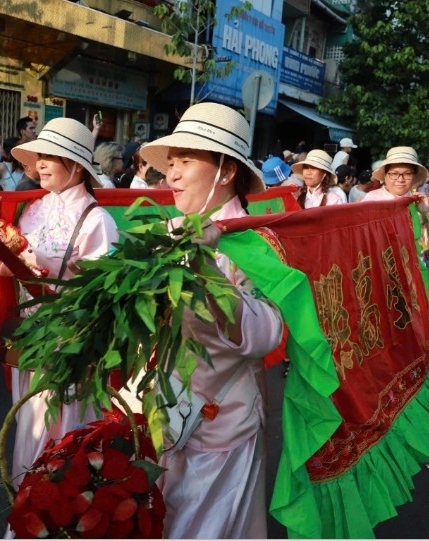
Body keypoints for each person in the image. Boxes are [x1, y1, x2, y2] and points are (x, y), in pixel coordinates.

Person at [139, 102, 284, 538]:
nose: (173, 175)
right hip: (165, 412)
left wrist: (205, 268)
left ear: (225, 171)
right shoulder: (172, 231)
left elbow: (266, 333)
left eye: (186, 161)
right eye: (171, 163)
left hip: (221, 421)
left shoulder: (256, 242)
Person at [0, 117, 119, 490]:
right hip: (30, 340)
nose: (40, 162)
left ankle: (57, 508)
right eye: (39, 154)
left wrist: (77, 279)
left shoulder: (97, 220)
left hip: (69, 344)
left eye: (51, 155)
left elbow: (106, 295)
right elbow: (6, 267)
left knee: (62, 429)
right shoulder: (34, 210)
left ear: (75, 164)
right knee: (30, 424)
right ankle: (33, 505)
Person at [363, 146, 429, 255]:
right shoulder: (371, 200)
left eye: (407, 174)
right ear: (385, 175)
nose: (400, 179)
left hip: (414, 267)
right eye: (394, 173)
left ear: (415, 176)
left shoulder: (421, 203)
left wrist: (427, 213)